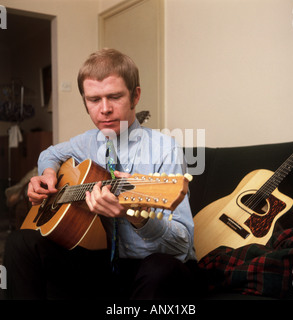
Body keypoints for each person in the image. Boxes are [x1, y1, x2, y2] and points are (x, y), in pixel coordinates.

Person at [3, 48, 197, 300]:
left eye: (114, 97)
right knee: (20, 243)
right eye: (94, 100)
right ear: (85, 100)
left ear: (135, 96)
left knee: (159, 269)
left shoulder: (164, 149)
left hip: (150, 265)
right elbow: (49, 154)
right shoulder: (86, 142)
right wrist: (47, 174)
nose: (104, 109)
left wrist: (136, 217)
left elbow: (182, 245)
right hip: (102, 265)